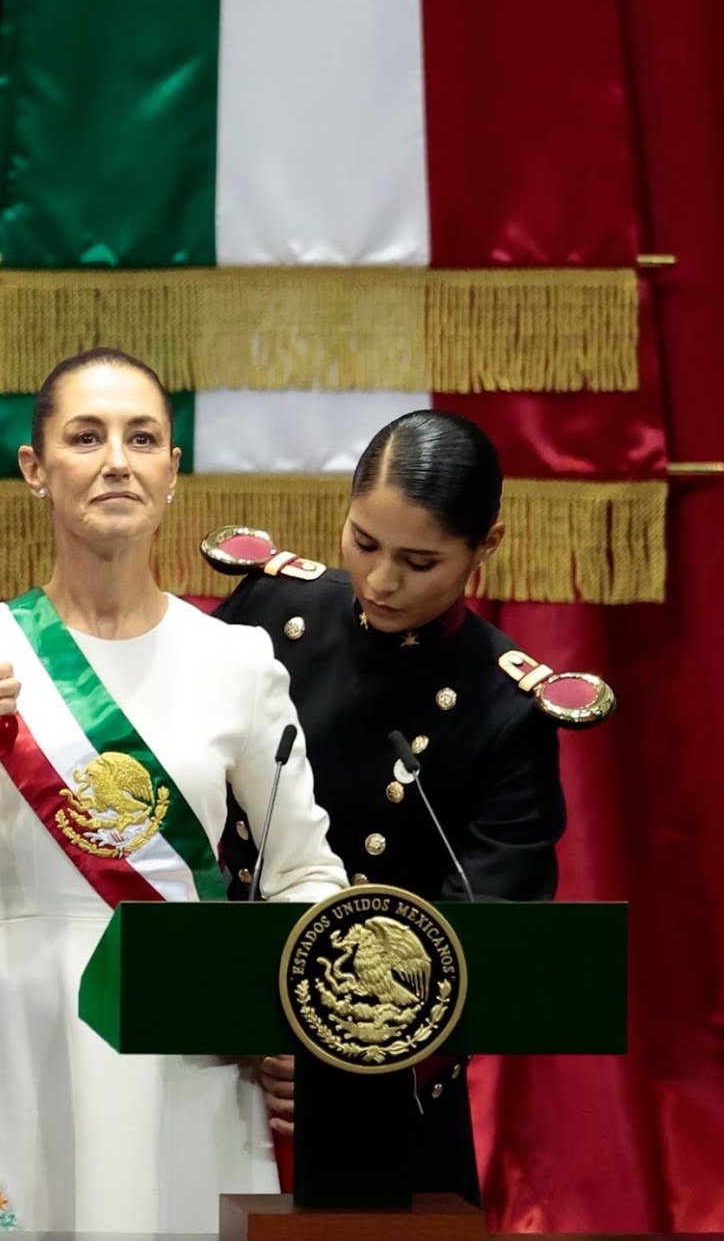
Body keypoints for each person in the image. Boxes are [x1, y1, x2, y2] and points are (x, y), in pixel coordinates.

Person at [0, 347, 346, 1235]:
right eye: (85, 437)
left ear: (172, 470)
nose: (117, 459)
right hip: (16, 1046)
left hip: (184, 1056)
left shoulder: (237, 662)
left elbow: (307, 875)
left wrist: (295, 1019)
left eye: (143, 437)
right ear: (36, 469)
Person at [214, 408, 568, 1205]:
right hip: (217, 1049)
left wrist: (348, 1053)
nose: (380, 581)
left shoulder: (504, 706)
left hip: (387, 1081)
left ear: (488, 545)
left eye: (419, 560)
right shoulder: (269, 616)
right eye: (363, 542)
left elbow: (486, 929)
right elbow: (181, 814)